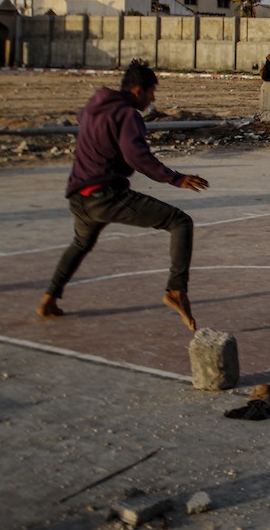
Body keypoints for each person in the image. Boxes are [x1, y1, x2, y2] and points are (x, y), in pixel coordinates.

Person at [36, 60, 210, 329]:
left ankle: (49, 298)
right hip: (104, 195)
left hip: (78, 196)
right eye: (152, 92)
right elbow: (136, 156)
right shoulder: (128, 114)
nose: (153, 99)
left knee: (81, 244)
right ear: (138, 90)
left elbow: (93, 130)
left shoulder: (94, 108)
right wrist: (175, 179)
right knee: (180, 221)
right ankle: (176, 290)